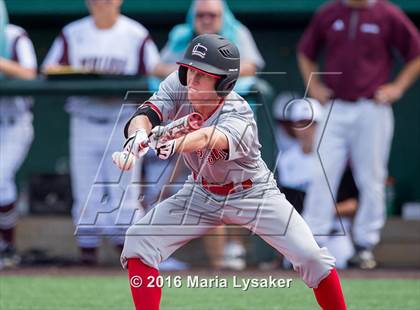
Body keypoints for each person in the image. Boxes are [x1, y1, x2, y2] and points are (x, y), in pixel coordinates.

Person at [113, 34, 346, 310]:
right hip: (201, 192)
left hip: (252, 193)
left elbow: (208, 138)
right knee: (140, 240)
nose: (192, 80)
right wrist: (138, 135)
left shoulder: (239, 112)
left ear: (224, 83)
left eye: (203, 75)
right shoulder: (180, 82)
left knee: (313, 259)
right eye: (190, 71)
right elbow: (147, 112)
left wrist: (173, 144)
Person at [298, 0, 420, 268]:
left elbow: (416, 53)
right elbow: (305, 52)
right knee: (321, 172)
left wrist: (397, 87)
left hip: (372, 107)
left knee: (372, 177)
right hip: (335, 106)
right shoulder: (329, 12)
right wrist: (314, 85)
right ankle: (310, 243)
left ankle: (365, 245)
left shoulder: (388, 14)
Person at [42, 0, 160, 265]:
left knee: (125, 194)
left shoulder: (135, 34)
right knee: (85, 193)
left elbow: (154, 75)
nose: (102, 3)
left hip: (122, 119)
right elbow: (49, 70)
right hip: (84, 118)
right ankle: (87, 260)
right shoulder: (73, 32)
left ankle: (131, 259)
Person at [153, 0, 264, 270]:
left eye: (211, 14)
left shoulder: (236, 33)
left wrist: (204, 70)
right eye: (200, 14)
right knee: (199, 186)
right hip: (187, 119)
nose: (205, 19)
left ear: (221, 16)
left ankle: (235, 252)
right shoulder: (182, 35)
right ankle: (216, 262)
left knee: (239, 186)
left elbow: (251, 66)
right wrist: (192, 73)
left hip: (231, 120)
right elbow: (156, 67)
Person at [275, 97, 358, 269]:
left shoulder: (338, 160)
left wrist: (319, 212)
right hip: (298, 237)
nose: (306, 129)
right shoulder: (284, 161)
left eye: (311, 123)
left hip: (333, 236)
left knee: (345, 271)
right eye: (301, 123)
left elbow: (354, 204)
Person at [0, 0, 37, 268]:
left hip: (14, 122)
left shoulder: (14, 36)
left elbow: (30, 73)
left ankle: (7, 247)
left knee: (0, 177)